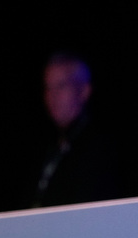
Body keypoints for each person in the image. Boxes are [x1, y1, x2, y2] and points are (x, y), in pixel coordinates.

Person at [29, 51, 119, 207]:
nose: (52, 96)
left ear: (84, 90)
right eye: (48, 87)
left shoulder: (100, 148)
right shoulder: (46, 145)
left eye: (61, 86)